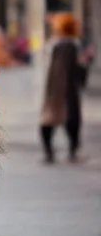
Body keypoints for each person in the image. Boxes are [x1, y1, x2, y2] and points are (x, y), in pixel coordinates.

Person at [39, 13, 91, 164]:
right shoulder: (71, 44)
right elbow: (79, 69)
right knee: (70, 121)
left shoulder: (60, 44)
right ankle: (70, 153)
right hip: (67, 89)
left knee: (50, 121)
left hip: (55, 90)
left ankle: (51, 153)